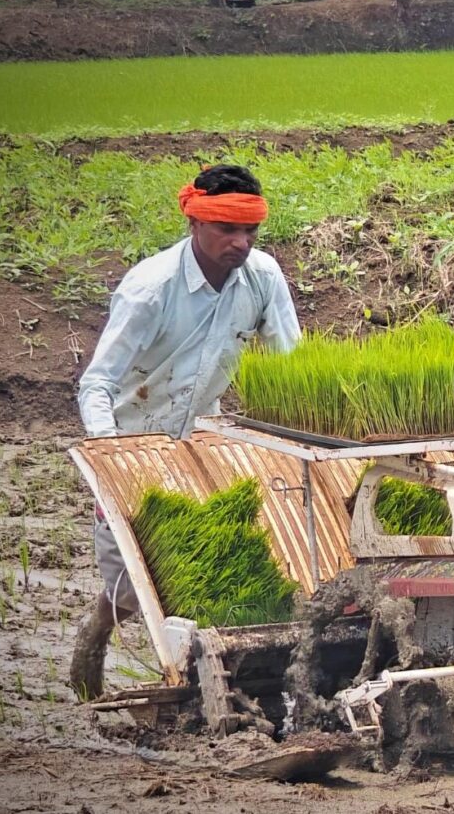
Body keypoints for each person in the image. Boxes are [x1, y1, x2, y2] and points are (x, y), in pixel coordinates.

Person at [69, 164, 301, 700]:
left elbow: (291, 366)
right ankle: (102, 625)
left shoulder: (263, 278)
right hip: (133, 443)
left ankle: (203, 680)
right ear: (195, 223)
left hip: (203, 439)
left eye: (250, 232)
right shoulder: (150, 290)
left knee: (210, 561)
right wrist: (111, 467)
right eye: (227, 229)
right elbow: (97, 385)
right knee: (133, 581)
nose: (241, 243)